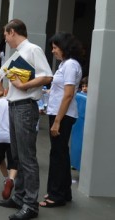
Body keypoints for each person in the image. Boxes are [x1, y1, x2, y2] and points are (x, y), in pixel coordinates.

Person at [0, 19, 52, 220]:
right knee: (18, 156)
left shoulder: (32, 49)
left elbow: (47, 76)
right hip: (15, 106)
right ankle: (20, 198)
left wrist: (24, 86)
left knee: (27, 157)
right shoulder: (18, 53)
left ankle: (30, 204)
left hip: (24, 107)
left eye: (5, 34)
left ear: (12, 32)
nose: (5, 38)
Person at [39, 32, 83, 208]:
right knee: (61, 153)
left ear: (64, 48)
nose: (53, 51)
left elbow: (68, 94)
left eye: (55, 47)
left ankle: (56, 195)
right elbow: (60, 92)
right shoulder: (65, 64)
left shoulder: (70, 65)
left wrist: (57, 121)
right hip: (59, 114)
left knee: (57, 155)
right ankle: (63, 192)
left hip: (62, 116)